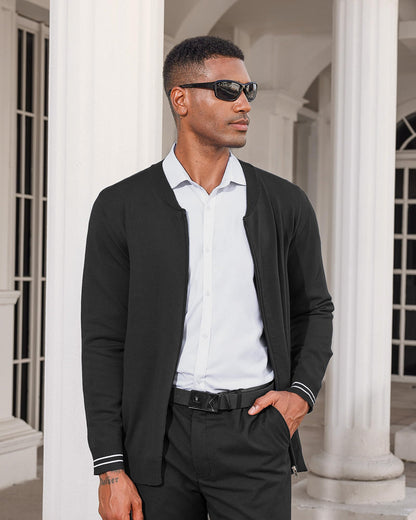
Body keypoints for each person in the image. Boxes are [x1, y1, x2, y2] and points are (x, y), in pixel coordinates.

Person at [81, 35, 334, 520]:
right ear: (180, 99)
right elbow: (103, 340)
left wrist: (300, 395)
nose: (244, 104)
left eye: (248, 91)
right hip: (159, 436)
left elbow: (315, 308)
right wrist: (110, 466)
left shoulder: (284, 203)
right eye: (226, 90)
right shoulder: (121, 206)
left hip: (255, 430)